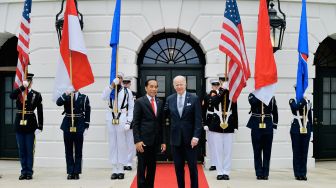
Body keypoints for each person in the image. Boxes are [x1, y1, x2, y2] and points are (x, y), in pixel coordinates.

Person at [164, 75, 202, 188]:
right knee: (178, 168)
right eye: (177, 84)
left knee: (192, 167)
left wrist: (196, 136)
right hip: (176, 140)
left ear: (185, 84)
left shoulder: (194, 98)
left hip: (191, 140)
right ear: (173, 86)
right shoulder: (170, 99)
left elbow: (198, 120)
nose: (179, 86)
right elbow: (165, 116)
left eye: (181, 84)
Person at [133, 79, 166, 188]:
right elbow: (136, 123)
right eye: (151, 86)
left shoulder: (160, 102)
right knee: (142, 168)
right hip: (143, 142)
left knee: (152, 168)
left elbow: (161, 124)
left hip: (155, 141)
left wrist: (163, 141)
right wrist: (137, 140)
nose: (154, 89)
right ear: (146, 88)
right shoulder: (139, 102)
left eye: (156, 87)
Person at [10, 73, 43, 180]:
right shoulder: (19, 92)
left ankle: (29, 172)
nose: (27, 83)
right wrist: (22, 87)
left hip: (30, 124)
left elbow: (40, 111)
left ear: (31, 82)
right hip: (19, 124)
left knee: (29, 149)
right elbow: (11, 96)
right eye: (26, 81)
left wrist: (40, 126)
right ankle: (23, 171)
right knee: (22, 150)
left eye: (29, 81)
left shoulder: (36, 95)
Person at [101, 72, 134, 179]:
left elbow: (132, 107)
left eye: (120, 78)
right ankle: (114, 168)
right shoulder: (110, 89)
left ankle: (121, 168)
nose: (118, 80)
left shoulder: (127, 91)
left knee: (121, 144)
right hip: (111, 117)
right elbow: (103, 97)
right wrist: (111, 85)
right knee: (112, 144)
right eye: (117, 77)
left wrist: (129, 121)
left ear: (122, 79)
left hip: (122, 116)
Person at [204, 78, 238, 180]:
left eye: (225, 81)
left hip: (229, 124)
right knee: (218, 150)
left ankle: (226, 172)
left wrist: (236, 125)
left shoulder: (231, 94)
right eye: (221, 81)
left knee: (228, 150)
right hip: (216, 125)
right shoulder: (215, 94)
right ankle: (219, 171)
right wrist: (222, 91)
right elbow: (213, 102)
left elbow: (235, 110)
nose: (223, 83)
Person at [56, 87, 90, 180]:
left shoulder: (84, 97)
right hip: (67, 124)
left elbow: (87, 111)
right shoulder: (66, 96)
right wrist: (66, 93)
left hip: (79, 124)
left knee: (78, 150)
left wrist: (86, 126)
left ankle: (77, 172)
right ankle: (70, 171)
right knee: (68, 150)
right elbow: (58, 103)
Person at [246, 93, 278, 180]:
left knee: (267, 151)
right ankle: (259, 173)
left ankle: (266, 173)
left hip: (268, 124)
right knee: (257, 150)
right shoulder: (252, 95)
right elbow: (253, 102)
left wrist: (274, 126)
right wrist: (261, 94)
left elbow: (275, 112)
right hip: (256, 124)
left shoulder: (271, 96)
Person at [289, 85, 313, 181]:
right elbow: (295, 108)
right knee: (297, 151)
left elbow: (310, 116)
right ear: (296, 90)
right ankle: (297, 173)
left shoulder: (308, 101)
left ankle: (303, 173)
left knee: (304, 152)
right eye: (298, 90)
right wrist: (302, 101)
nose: (300, 91)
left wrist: (311, 130)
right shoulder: (292, 100)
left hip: (305, 127)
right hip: (296, 127)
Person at [122, 76, 136, 171]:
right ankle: (123, 161)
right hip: (121, 119)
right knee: (122, 143)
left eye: (128, 83)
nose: (126, 84)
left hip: (131, 120)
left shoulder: (134, 94)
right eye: (124, 83)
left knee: (130, 143)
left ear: (130, 83)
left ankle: (129, 162)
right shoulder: (119, 93)